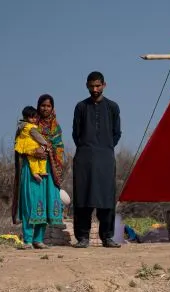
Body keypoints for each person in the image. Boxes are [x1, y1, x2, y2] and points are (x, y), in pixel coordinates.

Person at [71, 71, 122, 248]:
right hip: (84, 159)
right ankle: (83, 237)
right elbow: (75, 134)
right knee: (83, 198)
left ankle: (107, 237)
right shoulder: (81, 107)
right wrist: (88, 147)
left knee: (106, 199)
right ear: (86, 86)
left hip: (106, 158)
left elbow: (117, 133)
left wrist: (105, 148)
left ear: (104, 85)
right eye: (91, 86)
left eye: (98, 86)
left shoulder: (113, 107)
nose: (95, 89)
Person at [11, 94, 66, 249]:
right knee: (30, 202)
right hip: (30, 167)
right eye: (42, 105)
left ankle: (39, 239)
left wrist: (49, 152)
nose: (45, 108)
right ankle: (27, 239)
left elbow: (59, 147)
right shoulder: (27, 125)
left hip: (49, 170)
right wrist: (33, 151)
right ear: (38, 107)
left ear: (52, 108)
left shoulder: (56, 127)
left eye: (48, 106)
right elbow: (18, 145)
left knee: (46, 202)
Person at [14, 106, 50, 182]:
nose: (34, 119)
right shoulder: (31, 127)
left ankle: (36, 173)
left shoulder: (21, 126)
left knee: (32, 160)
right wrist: (45, 143)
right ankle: (41, 171)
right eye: (31, 118)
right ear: (26, 118)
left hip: (24, 146)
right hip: (32, 146)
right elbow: (37, 136)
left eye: (35, 117)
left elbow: (16, 138)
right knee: (40, 158)